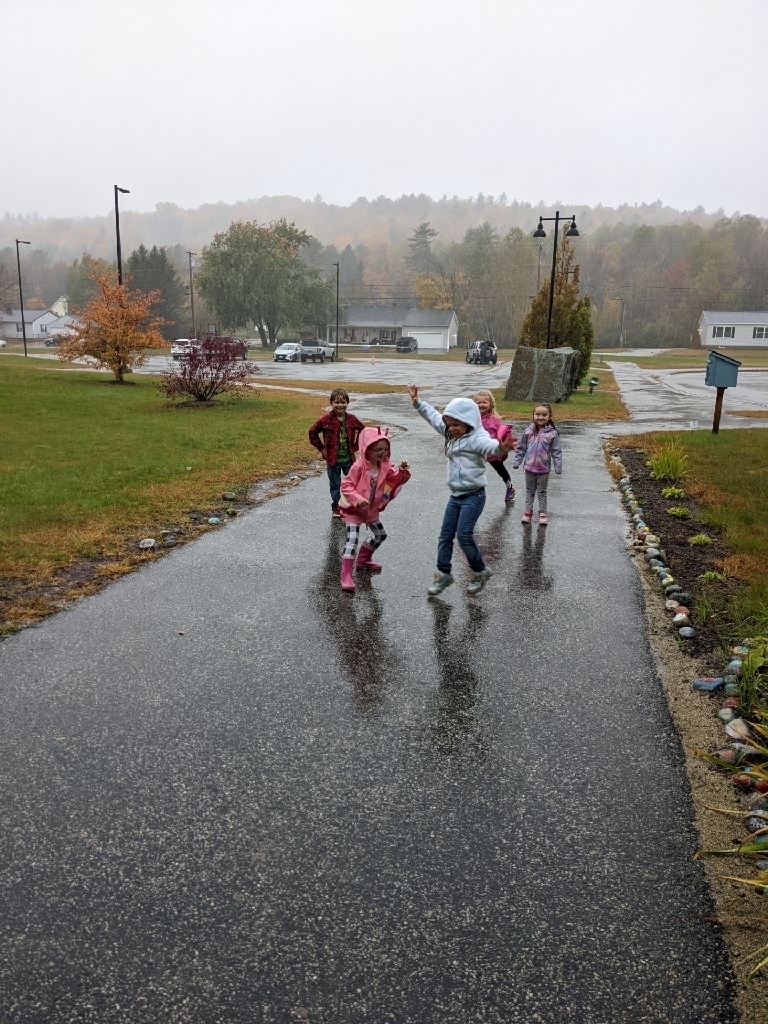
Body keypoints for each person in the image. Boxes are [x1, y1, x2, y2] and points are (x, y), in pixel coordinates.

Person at [409, 385, 515, 597]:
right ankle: (444, 574)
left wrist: (500, 448)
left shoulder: (477, 437)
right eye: (449, 424)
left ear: (469, 422)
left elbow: (489, 446)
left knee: (464, 534)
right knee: (445, 536)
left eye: (456, 424)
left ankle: (480, 570)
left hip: (474, 496)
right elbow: (434, 418)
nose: (452, 428)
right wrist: (418, 403)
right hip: (455, 496)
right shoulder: (451, 433)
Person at [338, 427, 410, 592]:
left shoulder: (385, 466)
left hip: (371, 510)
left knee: (380, 535)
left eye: (386, 449)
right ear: (367, 450)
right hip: (354, 510)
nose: (383, 453)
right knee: (352, 539)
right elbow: (346, 485)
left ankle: (363, 559)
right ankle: (346, 574)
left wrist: (402, 472)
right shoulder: (358, 466)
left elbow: (395, 480)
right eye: (378, 449)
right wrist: (358, 499)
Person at [309, 389, 365, 517]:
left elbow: (363, 430)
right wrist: (321, 448)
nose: (340, 405)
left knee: (353, 483)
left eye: (343, 402)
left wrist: (356, 446)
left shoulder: (351, 419)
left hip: (349, 459)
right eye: (337, 402)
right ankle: (337, 507)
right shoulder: (325, 420)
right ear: (331, 403)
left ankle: (352, 504)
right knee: (335, 485)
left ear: (347, 403)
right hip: (332, 459)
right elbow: (312, 432)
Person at [512, 402, 563, 526]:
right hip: (529, 468)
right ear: (533, 415)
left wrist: (558, 466)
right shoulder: (528, 431)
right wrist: (517, 461)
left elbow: (556, 451)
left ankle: (542, 513)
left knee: (542, 492)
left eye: (544, 415)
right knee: (529, 491)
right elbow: (521, 448)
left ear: (549, 416)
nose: (540, 417)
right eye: (538, 414)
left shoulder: (552, 434)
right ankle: (528, 512)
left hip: (543, 469)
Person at [473, 390, 517, 503]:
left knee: (500, 469)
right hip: (478, 450)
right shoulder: (473, 418)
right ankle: (472, 490)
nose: (481, 405)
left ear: (490, 404)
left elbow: (504, 432)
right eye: (478, 403)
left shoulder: (494, 420)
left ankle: (510, 487)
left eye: (484, 402)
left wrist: (509, 443)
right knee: (474, 469)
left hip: (492, 451)